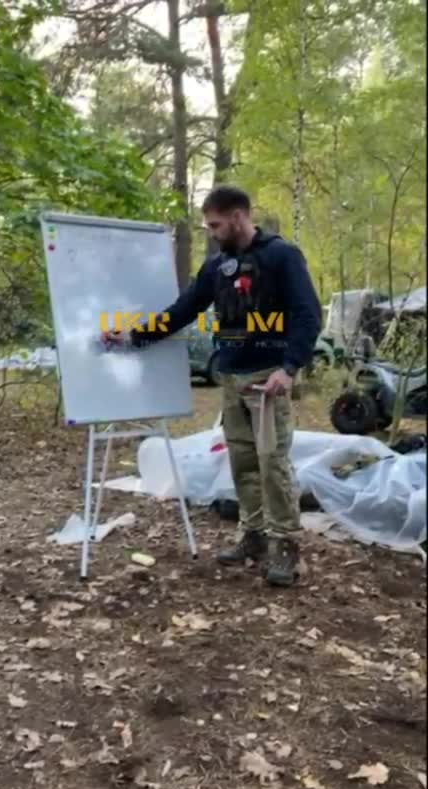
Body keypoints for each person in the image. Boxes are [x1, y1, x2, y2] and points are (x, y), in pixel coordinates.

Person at [103, 185, 322, 586]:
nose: (211, 232)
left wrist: (288, 369)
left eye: (216, 224)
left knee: (273, 464)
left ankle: (286, 547)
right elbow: (185, 309)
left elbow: (309, 316)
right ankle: (253, 535)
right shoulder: (217, 264)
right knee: (242, 463)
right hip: (231, 379)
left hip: (266, 379)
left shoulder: (281, 256)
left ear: (238, 217)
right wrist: (135, 336)